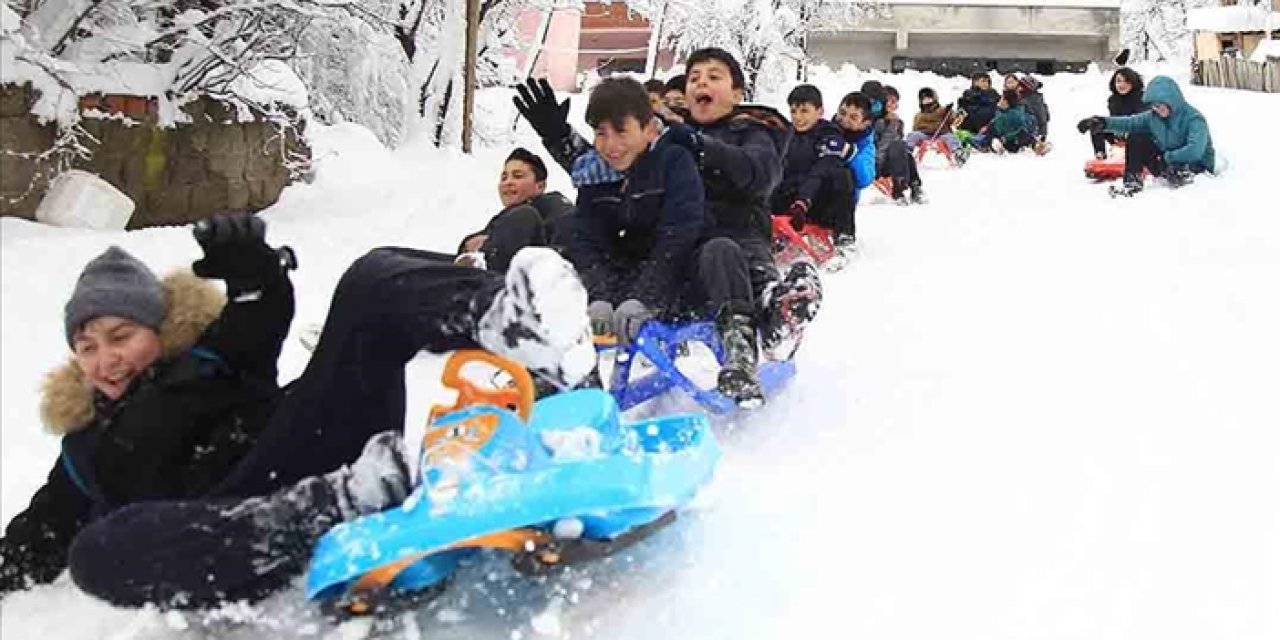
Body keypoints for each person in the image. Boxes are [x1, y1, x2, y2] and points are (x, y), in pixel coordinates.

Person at [0, 214, 595, 605]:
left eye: (120, 334)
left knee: (371, 278)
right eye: (87, 346)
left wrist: (255, 272)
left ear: (158, 328)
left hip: (304, 443)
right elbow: (35, 540)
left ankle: (515, 323)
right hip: (227, 533)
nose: (106, 359)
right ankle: (345, 500)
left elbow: (259, 315)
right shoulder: (83, 448)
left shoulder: (206, 356)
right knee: (98, 550)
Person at [513, 50, 823, 407]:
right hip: (672, 254)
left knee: (726, 254)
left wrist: (698, 144)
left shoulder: (752, 131)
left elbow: (757, 173)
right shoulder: (666, 137)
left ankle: (774, 313)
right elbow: (611, 165)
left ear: (738, 93)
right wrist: (557, 133)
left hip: (733, 243)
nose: (701, 82)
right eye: (694, 78)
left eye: (713, 76)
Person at [566, 77, 706, 346]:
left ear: (650, 130)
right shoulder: (593, 176)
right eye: (601, 133)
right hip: (618, 282)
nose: (610, 145)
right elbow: (585, 239)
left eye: (621, 132)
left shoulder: (673, 162)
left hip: (670, 282)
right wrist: (599, 296)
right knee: (561, 233)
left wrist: (644, 298)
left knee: (717, 251)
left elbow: (678, 236)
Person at [1077, 75, 1217, 196]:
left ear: (1172, 101)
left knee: (1184, 168)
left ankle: (1184, 181)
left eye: (1159, 106)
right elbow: (1129, 122)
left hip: (1195, 166)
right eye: (1153, 107)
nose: (1157, 110)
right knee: (1136, 137)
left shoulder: (1194, 119)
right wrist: (1102, 122)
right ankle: (1132, 183)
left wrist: (1168, 157)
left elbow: (1195, 150)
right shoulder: (1153, 117)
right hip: (1167, 162)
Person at [456, 148, 573, 271]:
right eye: (504, 178)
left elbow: (571, 249)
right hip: (496, 278)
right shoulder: (505, 219)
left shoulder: (553, 206)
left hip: (536, 282)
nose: (508, 182)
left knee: (524, 215)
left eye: (517, 176)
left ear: (540, 186)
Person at [771, 84, 856, 249]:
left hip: (818, 202)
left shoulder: (831, 136)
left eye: (804, 111)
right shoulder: (785, 136)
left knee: (842, 175)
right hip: (791, 200)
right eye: (793, 111)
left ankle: (844, 236)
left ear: (820, 112)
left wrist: (803, 201)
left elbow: (823, 170)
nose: (797, 117)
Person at [860, 80, 924, 205]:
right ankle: (901, 186)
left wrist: (894, 125)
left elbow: (887, 145)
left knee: (902, 150)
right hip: (866, 161)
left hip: (883, 161)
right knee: (899, 147)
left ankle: (910, 186)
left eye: (877, 102)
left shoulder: (891, 121)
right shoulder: (860, 118)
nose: (874, 105)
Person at [834, 92, 877, 245]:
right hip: (809, 192)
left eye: (853, 117)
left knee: (843, 174)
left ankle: (845, 235)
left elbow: (865, 179)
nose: (844, 120)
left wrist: (851, 155)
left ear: (865, 123)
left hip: (838, 202)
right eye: (842, 113)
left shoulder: (865, 146)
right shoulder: (825, 131)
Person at [1091, 67, 1147, 160]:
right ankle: (1100, 154)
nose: (1122, 85)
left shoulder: (1142, 98)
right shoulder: (1113, 100)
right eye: (1118, 81)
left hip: (1138, 135)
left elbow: (1141, 122)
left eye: (1126, 81)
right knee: (1096, 123)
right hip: (1119, 133)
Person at [904, 87, 968, 165]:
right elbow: (915, 128)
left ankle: (957, 152)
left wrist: (954, 114)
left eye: (929, 99)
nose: (927, 101)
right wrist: (918, 131)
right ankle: (906, 152)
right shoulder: (919, 115)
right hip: (925, 135)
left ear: (934, 99)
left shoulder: (943, 111)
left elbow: (954, 121)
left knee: (951, 137)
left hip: (941, 134)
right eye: (924, 100)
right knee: (913, 135)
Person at [989, 89, 1039, 154]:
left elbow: (1022, 128)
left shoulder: (1016, 113)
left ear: (1008, 102)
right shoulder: (999, 112)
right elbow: (996, 127)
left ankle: (1036, 146)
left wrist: (1007, 137)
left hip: (1015, 139)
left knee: (1024, 136)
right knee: (993, 137)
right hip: (1005, 139)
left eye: (1003, 99)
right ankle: (998, 147)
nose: (1000, 101)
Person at [1015, 73, 1051, 150]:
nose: (1018, 88)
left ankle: (1039, 145)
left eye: (1021, 86)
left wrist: (1041, 134)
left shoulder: (1033, 100)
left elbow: (1042, 117)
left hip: (1036, 132)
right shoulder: (1023, 98)